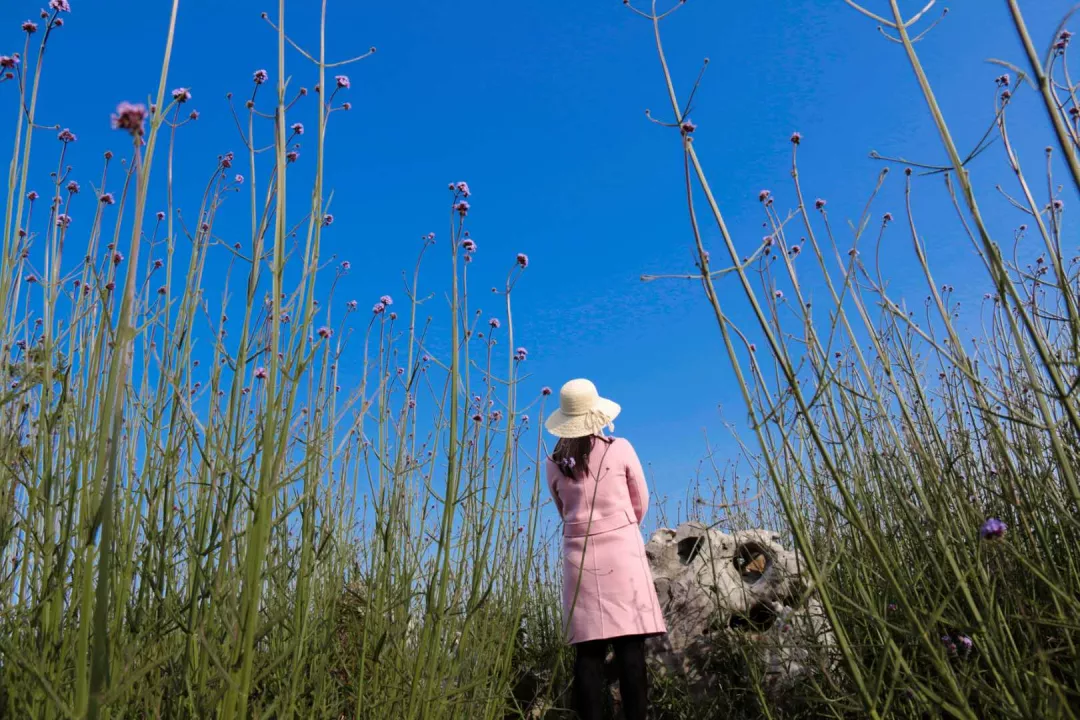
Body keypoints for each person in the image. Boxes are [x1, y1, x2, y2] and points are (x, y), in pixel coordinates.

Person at [544, 378, 667, 720]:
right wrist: (621, 527)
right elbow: (640, 501)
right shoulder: (620, 448)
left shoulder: (553, 463)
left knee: (588, 654)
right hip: (623, 556)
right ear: (597, 413)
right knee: (630, 649)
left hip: (578, 559)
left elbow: (562, 509)